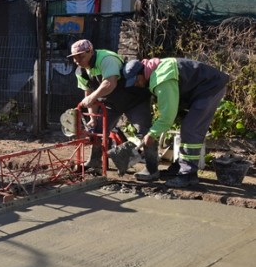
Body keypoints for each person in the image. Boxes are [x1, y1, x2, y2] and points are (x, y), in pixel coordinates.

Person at [122, 57, 229, 187]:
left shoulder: (162, 78)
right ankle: (180, 167)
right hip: (200, 89)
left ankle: (188, 175)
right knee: (187, 128)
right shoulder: (155, 69)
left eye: (136, 81)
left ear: (142, 73)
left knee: (191, 129)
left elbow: (167, 116)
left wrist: (152, 134)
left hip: (210, 87)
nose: (136, 85)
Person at [66, 39, 157, 179]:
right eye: (74, 58)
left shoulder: (106, 59)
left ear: (90, 52)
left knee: (145, 131)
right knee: (98, 130)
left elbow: (110, 83)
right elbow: (89, 94)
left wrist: (92, 98)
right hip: (112, 102)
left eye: (81, 56)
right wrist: (92, 118)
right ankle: (95, 162)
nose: (78, 60)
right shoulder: (81, 71)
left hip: (134, 99)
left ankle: (152, 169)